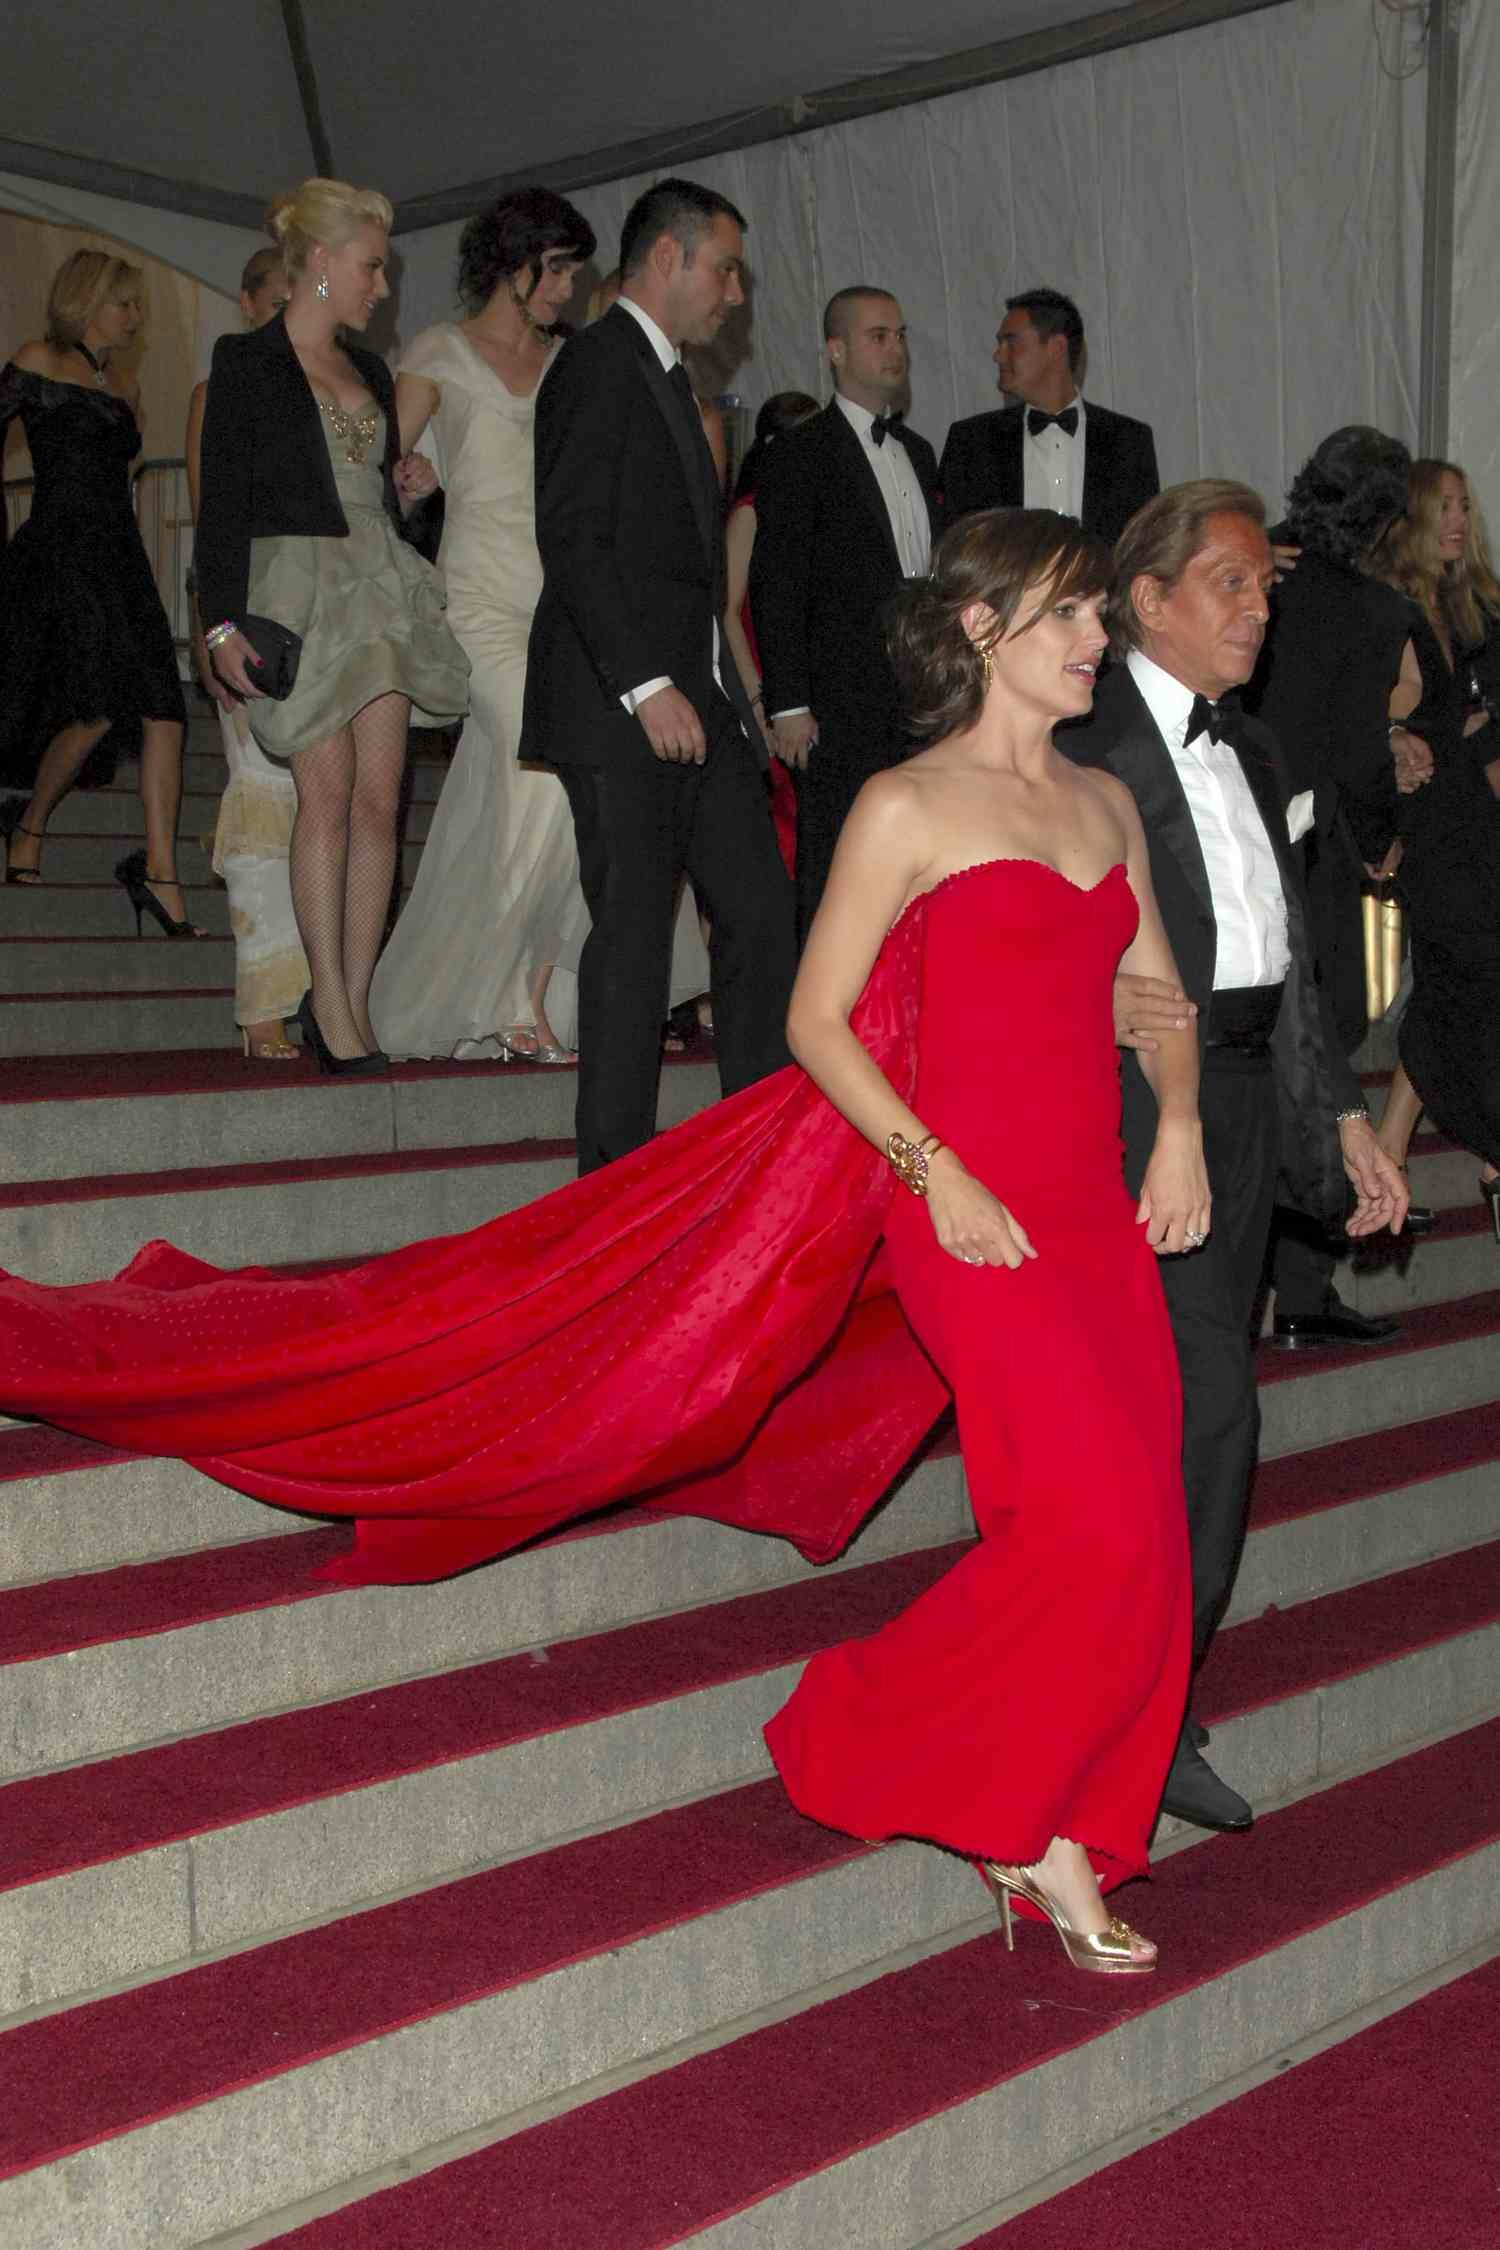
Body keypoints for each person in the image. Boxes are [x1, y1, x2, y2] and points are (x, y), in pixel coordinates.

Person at [0, 511, 1194, 1972]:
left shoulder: (1105, 806)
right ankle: (1008, 1805)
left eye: (1097, 622)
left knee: (1150, 1534)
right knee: (1090, 1523)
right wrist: (930, 1166)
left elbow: (1156, 997)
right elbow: (816, 1022)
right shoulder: (904, 805)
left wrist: (1182, 1124)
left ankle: (923, 1741)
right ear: (989, 629)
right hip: (959, 1206)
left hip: (1091, 1214)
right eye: (1074, 615)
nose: (1097, 641)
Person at [1065, 480, 1408, 1835]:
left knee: (1195, 1409)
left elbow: (1296, 958)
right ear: (1147, 599)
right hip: (1152, 1102)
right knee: (1212, 1410)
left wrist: (1341, 1122)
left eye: (1268, 585)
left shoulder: (1257, 750)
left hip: (1263, 1085)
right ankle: (1148, 1714)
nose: (1261, 607)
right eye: (1232, 582)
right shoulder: (1080, 743)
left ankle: (1143, 1696)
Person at [521, 176, 796, 1171]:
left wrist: (732, 694)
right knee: (633, 938)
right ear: (670, 257)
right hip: (621, 706)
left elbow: (692, 574)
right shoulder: (597, 366)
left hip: (700, 706)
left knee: (764, 914)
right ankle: (615, 1177)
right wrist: (645, 685)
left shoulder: (669, 376)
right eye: (725, 269)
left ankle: (758, 1149)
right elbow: (575, 540)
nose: (736, 294)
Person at [196, 178, 468, 1074]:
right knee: (327, 791)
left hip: (376, 580)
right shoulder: (247, 362)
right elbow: (223, 503)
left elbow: (379, 494)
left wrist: (412, 491)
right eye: (371, 266)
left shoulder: (375, 372)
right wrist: (218, 622)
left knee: (382, 799)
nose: (380, 287)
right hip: (298, 584)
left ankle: (351, 996)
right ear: (318, 261)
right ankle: (328, 1001)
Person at [369, 187, 596, 1063]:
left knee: (572, 793)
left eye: (575, 273)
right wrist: (413, 473)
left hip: (562, 605)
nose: (566, 289)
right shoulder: (439, 351)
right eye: (559, 268)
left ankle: (528, 993)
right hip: (480, 602)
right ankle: (501, 995)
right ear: (513, 260)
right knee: (541, 775)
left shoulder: (572, 361)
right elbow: (381, 461)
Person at [1243, 426, 1415, 1349]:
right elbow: (1359, 758)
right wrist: (1386, 847)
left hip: (1220, 840)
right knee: (1328, 1039)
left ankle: (1262, 1272)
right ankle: (1302, 1285)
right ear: (1387, 520)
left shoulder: (1247, 561)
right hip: (1311, 858)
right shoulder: (1370, 611)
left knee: (1251, 1051)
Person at [0, 249, 197, 931]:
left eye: (139, 305)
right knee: (96, 710)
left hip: (121, 556)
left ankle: (164, 877)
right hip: (60, 553)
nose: (137, 318)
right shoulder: (34, 359)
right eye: (126, 303)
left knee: (165, 707)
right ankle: (29, 825)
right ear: (85, 301)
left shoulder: (124, 386)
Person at [750, 288, 940, 937]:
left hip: (918, 699)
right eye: (878, 336)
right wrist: (788, 704)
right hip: (838, 700)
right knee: (837, 858)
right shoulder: (800, 453)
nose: (896, 349)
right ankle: (820, 1015)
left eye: (900, 334)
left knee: (920, 856)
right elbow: (777, 585)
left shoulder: (919, 451)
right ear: (836, 351)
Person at [1365, 460, 1500, 1226]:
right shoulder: (1391, 610)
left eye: (1463, 505)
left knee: (1463, 981)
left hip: (1472, 818)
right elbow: (1368, 713)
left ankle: (1399, 1139)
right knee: (1461, 979)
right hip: (1432, 823)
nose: (1456, 519)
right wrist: (1392, 739)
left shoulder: (1467, 604)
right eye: (1441, 507)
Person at [184, 247, 308, 1058]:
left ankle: (320, 994)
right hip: (250, 614)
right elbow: (211, 515)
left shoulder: (333, 385)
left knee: (316, 811)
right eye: (276, 301)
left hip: (327, 612)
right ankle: (262, 1001)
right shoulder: (219, 391)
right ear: (247, 299)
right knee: (263, 799)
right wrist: (212, 625)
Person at [939, 288, 1159, 544]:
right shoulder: (971, 441)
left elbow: (1143, 547)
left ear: (1056, 347)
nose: (997, 355)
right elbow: (953, 546)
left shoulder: (1129, 441)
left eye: (1011, 341)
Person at [723, 388, 821, 875]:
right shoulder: (750, 510)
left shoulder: (815, 503)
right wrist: (758, 702)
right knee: (781, 821)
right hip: (762, 676)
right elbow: (727, 610)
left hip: (800, 673)